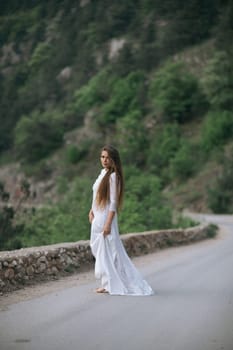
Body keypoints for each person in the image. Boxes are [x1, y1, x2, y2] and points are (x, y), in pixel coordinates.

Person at [89, 145, 154, 296]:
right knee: (100, 250)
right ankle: (107, 282)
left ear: (114, 160)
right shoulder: (102, 174)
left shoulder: (113, 177)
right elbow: (96, 196)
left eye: (107, 157)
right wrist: (91, 210)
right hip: (97, 216)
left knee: (110, 251)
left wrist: (108, 224)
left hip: (105, 217)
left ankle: (110, 283)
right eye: (102, 157)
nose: (104, 160)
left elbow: (113, 203)